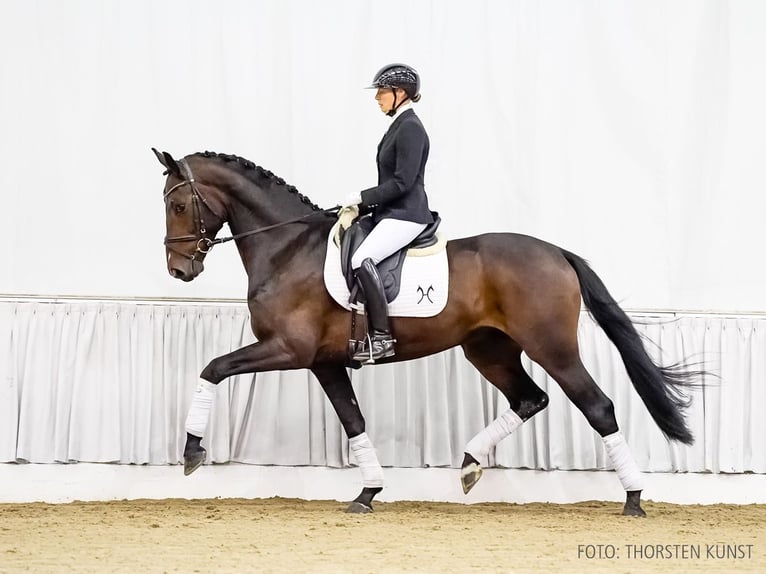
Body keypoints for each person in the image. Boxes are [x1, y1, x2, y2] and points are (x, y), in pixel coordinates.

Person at [343, 63, 435, 364]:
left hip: (407, 214)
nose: (377, 97)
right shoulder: (399, 124)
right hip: (391, 211)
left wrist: (362, 196)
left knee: (361, 259)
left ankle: (381, 337)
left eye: (382, 91)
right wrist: (363, 206)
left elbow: (402, 182)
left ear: (400, 93)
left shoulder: (410, 127)